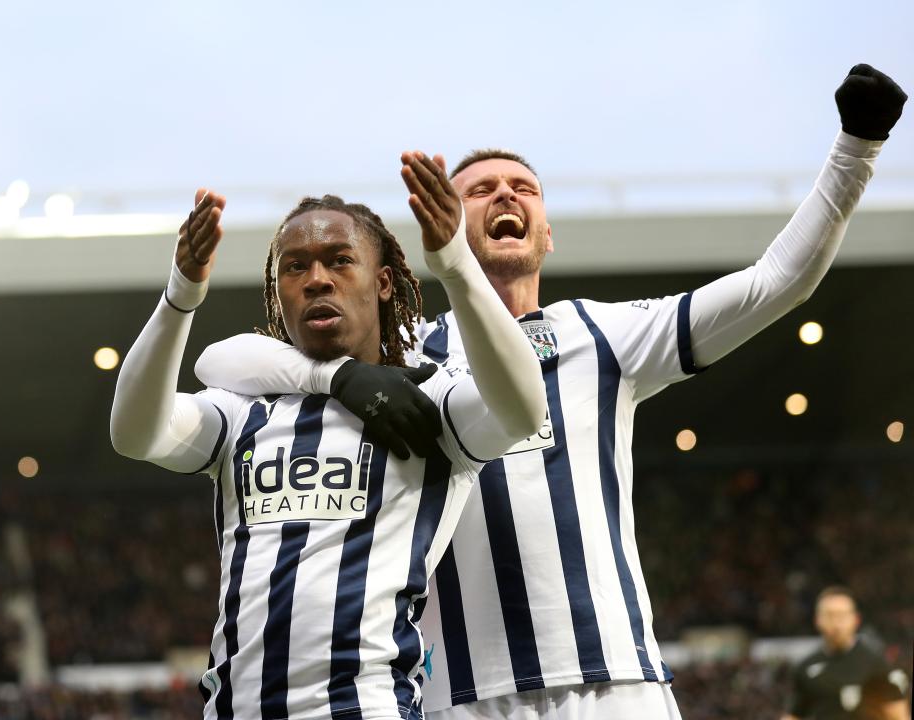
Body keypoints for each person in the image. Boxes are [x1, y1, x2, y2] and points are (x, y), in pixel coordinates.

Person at [194, 65, 907, 719]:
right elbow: (226, 359)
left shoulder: (605, 334)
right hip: (461, 696)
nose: (505, 194)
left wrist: (857, 149)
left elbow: (775, 284)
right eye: (479, 190)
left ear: (547, 234)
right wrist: (334, 375)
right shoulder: (407, 354)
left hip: (619, 686)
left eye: (523, 188)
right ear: (443, 222)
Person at [109, 152, 546, 720]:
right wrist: (181, 293)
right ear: (278, 293)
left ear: (383, 282)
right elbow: (134, 432)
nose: (316, 279)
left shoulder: (428, 401)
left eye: (340, 260)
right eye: (295, 267)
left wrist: (455, 261)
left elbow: (522, 409)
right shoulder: (243, 411)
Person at [782, 587, 910, 720]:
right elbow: (795, 714)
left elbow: (899, 716)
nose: (836, 623)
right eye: (830, 615)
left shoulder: (876, 663)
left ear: (856, 619)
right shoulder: (806, 668)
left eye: (842, 615)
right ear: (817, 620)